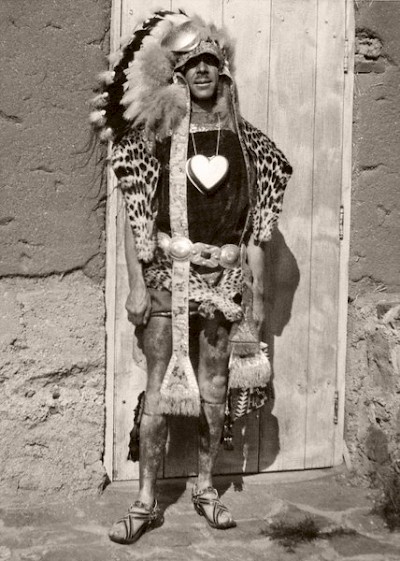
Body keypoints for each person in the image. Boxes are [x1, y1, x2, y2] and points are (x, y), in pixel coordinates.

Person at [90, 10, 292, 545]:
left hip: (222, 285)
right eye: (192, 64)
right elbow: (135, 217)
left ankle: (205, 488)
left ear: (222, 70)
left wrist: (259, 300)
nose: (202, 71)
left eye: (210, 62)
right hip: (166, 278)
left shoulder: (250, 144)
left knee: (215, 388)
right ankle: (145, 499)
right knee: (158, 391)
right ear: (178, 74)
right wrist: (137, 285)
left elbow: (257, 233)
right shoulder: (155, 138)